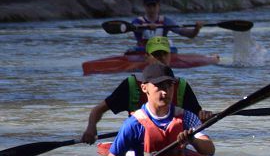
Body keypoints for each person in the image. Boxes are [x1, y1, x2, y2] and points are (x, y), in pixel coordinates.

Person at [83, 63, 215, 156]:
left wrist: (192, 139)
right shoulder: (133, 124)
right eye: (159, 86)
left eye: (169, 85)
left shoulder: (186, 117)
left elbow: (209, 149)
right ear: (144, 88)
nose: (165, 92)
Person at [80, 36, 212, 144]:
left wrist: (204, 117)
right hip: (139, 140)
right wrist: (91, 128)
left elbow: (197, 119)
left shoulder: (181, 85)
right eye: (156, 54)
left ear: (170, 56)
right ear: (147, 57)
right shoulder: (131, 84)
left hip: (172, 143)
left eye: (164, 54)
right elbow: (99, 109)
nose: (160, 58)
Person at [129, 0, 202, 52]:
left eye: (154, 5)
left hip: (161, 52)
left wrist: (196, 29)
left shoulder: (166, 21)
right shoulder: (137, 21)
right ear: (144, 6)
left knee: (170, 44)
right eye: (149, 6)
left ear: (158, 6)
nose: (151, 9)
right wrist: (147, 26)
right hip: (142, 51)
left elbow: (188, 34)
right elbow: (134, 27)